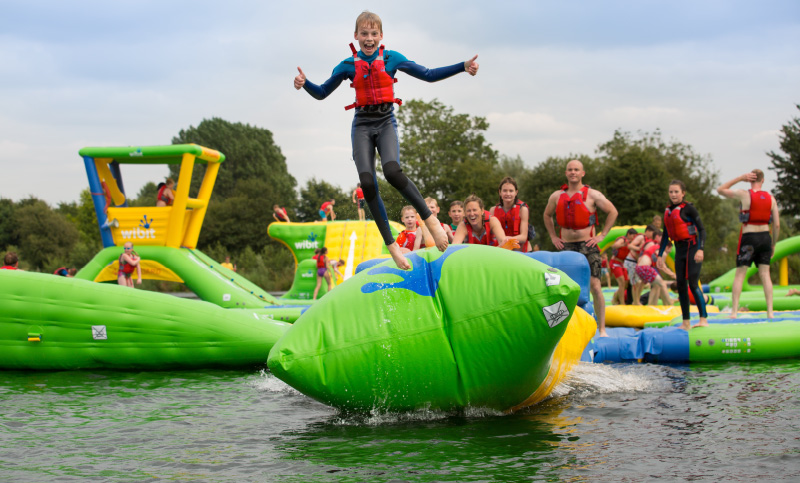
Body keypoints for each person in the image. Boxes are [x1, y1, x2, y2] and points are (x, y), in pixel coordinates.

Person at [294, 10, 479, 270]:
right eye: (364, 34)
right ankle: (392, 246)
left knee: (392, 171)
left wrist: (462, 66)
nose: (369, 39)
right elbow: (323, 92)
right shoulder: (347, 65)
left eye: (373, 34)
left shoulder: (392, 59)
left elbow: (427, 74)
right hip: (362, 125)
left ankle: (431, 221)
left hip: (385, 122)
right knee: (368, 183)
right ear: (356, 36)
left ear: (381, 35)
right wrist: (305, 83)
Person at [544, 159, 618, 337]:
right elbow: (547, 215)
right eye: (570, 170)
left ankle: (602, 329)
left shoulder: (593, 195)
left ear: (582, 173)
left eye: (576, 170)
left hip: (588, 245)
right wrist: (554, 236)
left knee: (595, 286)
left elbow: (613, 212)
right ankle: (562, 329)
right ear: (566, 173)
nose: (573, 172)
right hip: (566, 246)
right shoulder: (556, 196)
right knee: (564, 286)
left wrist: (602, 235)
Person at [717, 169, 780, 318]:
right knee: (765, 274)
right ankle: (770, 312)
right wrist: (774, 244)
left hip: (749, 238)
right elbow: (776, 225)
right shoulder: (771, 199)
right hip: (765, 237)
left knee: (740, 275)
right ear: (763, 180)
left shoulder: (744, 194)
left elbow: (720, 190)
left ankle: (734, 312)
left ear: (750, 180)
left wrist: (740, 178)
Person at [657, 180, 708, 330]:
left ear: (683, 193)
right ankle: (686, 322)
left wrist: (701, 249)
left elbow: (702, 230)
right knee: (680, 285)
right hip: (679, 250)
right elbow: (666, 235)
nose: (673, 194)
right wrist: (660, 255)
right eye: (671, 192)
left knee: (692, 283)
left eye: (676, 192)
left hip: (692, 249)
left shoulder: (689, 209)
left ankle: (703, 319)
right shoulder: (668, 211)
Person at [492, 177, 531, 252]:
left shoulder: (523, 210)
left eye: (511, 191)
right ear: (500, 192)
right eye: (505, 191)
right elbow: (491, 235)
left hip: (521, 252)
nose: (508, 194)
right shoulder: (493, 210)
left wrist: (505, 239)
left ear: (516, 192)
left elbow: (523, 237)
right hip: (502, 251)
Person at [608, 228, 637, 305]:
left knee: (626, 283)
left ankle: (615, 297)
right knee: (621, 282)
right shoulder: (623, 239)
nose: (634, 237)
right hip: (616, 263)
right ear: (628, 234)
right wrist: (624, 244)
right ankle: (622, 303)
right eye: (633, 235)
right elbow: (614, 246)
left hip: (622, 264)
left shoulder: (631, 243)